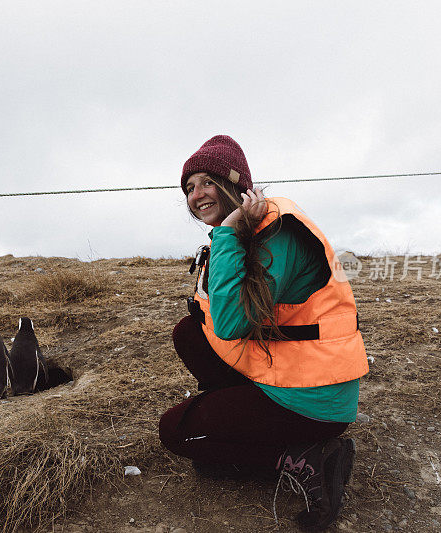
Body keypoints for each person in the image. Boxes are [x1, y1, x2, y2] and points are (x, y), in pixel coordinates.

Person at [158, 135, 369, 531]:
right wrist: (231, 232)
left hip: (314, 401)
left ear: (235, 184)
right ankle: (237, 420)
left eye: (207, 182)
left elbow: (234, 323)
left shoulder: (278, 234)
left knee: (178, 433)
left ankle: (310, 458)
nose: (197, 195)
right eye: (189, 188)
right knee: (189, 332)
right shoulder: (249, 228)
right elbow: (215, 314)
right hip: (288, 373)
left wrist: (227, 234)